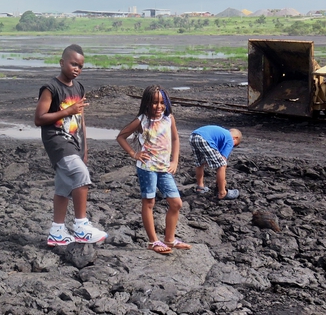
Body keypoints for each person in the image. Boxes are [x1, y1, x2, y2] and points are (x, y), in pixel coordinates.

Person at [35, 44, 108, 246]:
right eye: (73, 64)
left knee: (64, 186)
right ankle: (81, 226)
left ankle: (57, 231)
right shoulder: (51, 88)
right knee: (81, 175)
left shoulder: (79, 88)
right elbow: (39, 118)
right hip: (56, 141)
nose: (77, 68)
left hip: (73, 141)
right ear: (62, 63)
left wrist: (84, 148)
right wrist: (67, 111)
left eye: (80, 66)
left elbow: (80, 118)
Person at [116, 85, 190, 255]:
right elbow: (121, 136)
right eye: (155, 102)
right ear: (147, 103)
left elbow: (176, 138)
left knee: (176, 203)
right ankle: (153, 241)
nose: (159, 106)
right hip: (147, 168)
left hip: (164, 168)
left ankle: (169, 239)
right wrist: (133, 154)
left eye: (162, 102)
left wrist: (175, 160)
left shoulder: (168, 118)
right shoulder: (141, 120)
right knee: (149, 203)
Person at [190, 125, 242, 200]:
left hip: (193, 136)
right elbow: (222, 161)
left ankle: (200, 188)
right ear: (235, 138)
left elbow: (216, 154)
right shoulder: (230, 139)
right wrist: (223, 181)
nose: (232, 147)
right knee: (222, 165)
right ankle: (222, 193)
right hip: (204, 139)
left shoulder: (221, 134)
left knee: (200, 163)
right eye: (235, 145)